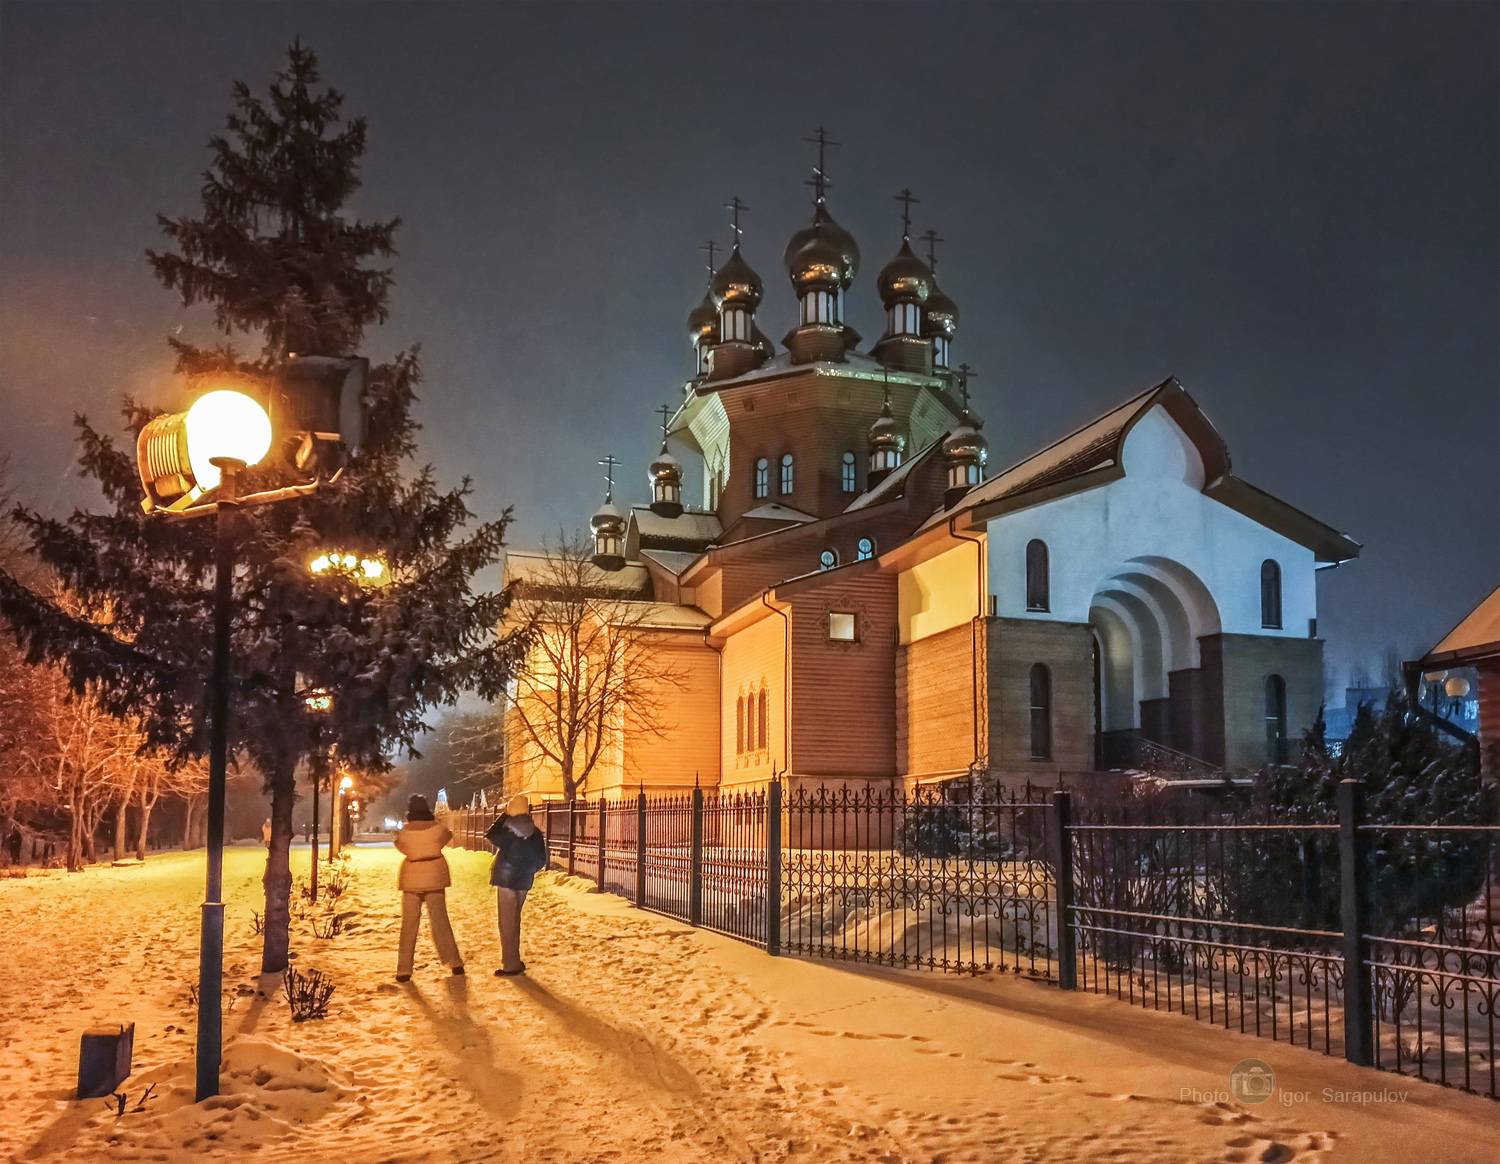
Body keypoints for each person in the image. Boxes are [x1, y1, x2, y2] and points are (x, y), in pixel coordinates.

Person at [394, 794, 465, 982]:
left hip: (412, 877)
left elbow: (400, 846)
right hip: (435, 874)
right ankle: (454, 962)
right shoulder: (438, 829)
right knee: (440, 921)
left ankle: (404, 969)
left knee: (409, 925)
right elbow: (447, 836)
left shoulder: (404, 833)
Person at [486, 793, 548, 976]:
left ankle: (510, 964)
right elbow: (541, 859)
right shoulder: (535, 832)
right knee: (515, 920)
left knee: (506, 923)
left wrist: (505, 815)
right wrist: (528, 870)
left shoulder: (507, 829)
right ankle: (514, 960)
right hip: (523, 880)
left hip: (506, 879)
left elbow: (490, 835)